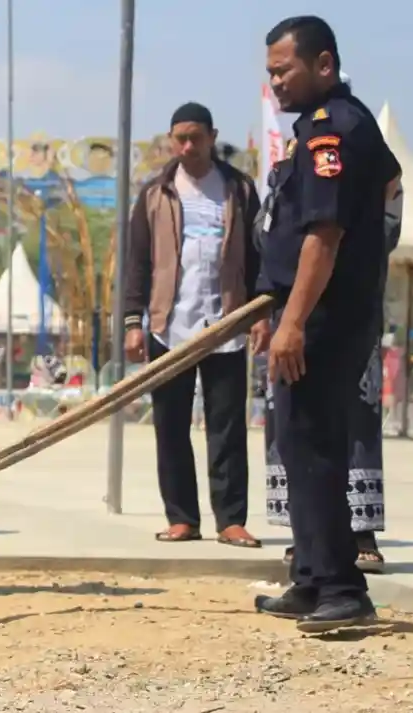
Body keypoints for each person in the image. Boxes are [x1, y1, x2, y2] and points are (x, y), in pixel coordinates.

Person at [253, 16, 401, 632]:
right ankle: (313, 577)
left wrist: (292, 323)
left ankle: (344, 588)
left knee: (314, 446)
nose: (275, 83)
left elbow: (324, 236)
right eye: (269, 73)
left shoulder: (333, 130)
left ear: (323, 65)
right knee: (298, 442)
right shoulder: (318, 130)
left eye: (283, 70)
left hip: (325, 317)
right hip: (306, 311)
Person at [124, 102, 266, 547]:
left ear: (211, 136)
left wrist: (262, 314)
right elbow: (137, 264)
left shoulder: (239, 190)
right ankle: (182, 517)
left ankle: (231, 520)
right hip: (170, 326)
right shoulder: (154, 193)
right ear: (171, 140)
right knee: (170, 425)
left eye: (196, 137)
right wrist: (133, 322)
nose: (188, 146)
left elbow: (259, 258)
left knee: (227, 425)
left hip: (227, 324)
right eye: (180, 138)